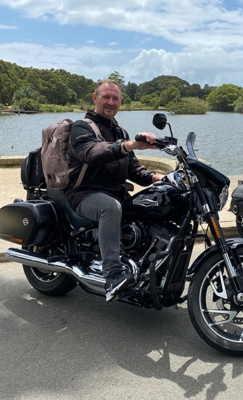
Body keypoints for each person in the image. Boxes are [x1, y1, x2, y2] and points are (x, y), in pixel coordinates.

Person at [66, 79, 163, 301]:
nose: (111, 102)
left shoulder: (120, 130)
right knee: (110, 208)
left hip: (116, 193)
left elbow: (134, 169)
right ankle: (112, 275)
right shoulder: (82, 127)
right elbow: (92, 152)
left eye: (115, 98)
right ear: (95, 98)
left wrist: (160, 177)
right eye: (106, 97)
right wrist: (126, 145)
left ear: (121, 101)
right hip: (84, 194)